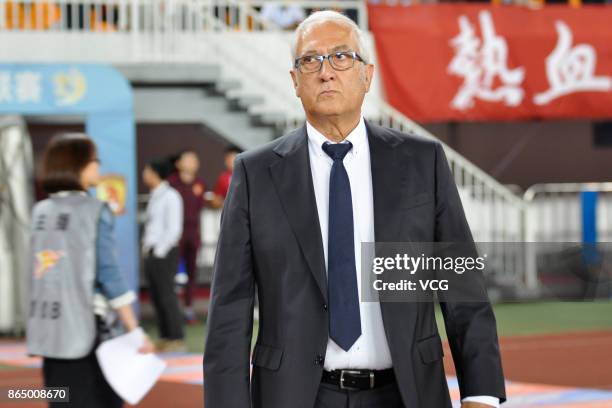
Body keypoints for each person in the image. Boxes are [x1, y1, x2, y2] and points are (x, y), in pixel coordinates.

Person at [203, 10, 506, 408]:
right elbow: (230, 307)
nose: (326, 71)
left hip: (407, 393)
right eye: (310, 60)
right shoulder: (256, 174)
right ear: (295, 81)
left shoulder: (422, 162)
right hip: (295, 396)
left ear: (367, 75)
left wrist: (481, 394)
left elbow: (462, 290)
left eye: (341, 56)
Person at [26, 133, 154, 408]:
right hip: (89, 329)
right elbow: (108, 273)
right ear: (78, 165)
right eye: (94, 160)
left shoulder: (40, 211)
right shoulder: (95, 210)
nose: (98, 166)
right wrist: (134, 329)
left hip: (51, 330)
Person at [142, 158, 186, 352]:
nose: (144, 175)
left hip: (165, 253)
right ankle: (165, 336)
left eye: (147, 171)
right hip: (152, 252)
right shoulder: (154, 196)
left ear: (154, 173)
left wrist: (159, 252)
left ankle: (177, 337)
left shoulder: (171, 196)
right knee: (156, 296)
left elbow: (173, 229)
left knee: (167, 295)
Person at [167, 150, 206, 323]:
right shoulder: (171, 183)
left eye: (194, 159)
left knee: (192, 272)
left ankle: (188, 309)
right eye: (188, 159)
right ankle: (171, 310)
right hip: (175, 234)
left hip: (193, 233)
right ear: (179, 163)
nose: (192, 162)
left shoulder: (200, 183)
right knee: (171, 273)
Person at [211, 145, 242, 209]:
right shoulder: (223, 178)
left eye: (233, 157)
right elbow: (216, 200)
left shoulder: (247, 175)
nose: (230, 160)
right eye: (227, 158)